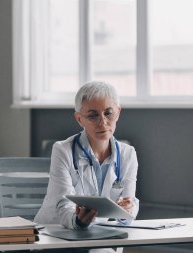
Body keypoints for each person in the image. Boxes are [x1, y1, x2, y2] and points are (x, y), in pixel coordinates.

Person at [34, 81, 139, 252]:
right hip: (53, 236)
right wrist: (79, 220)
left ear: (118, 113)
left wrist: (127, 210)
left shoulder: (128, 154)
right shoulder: (62, 150)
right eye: (93, 115)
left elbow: (129, 204)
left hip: (98, 237)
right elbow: (62, 205)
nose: (102, 122)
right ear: (79, 119)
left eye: (108, 113)